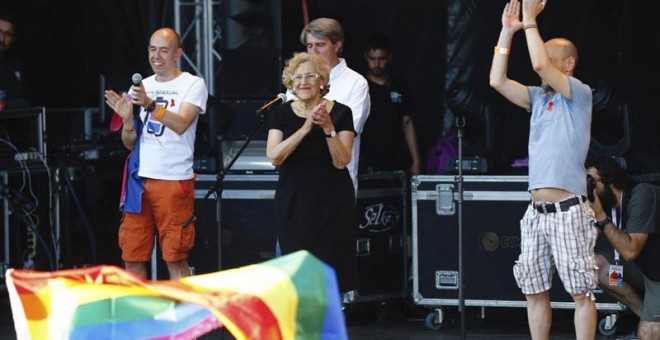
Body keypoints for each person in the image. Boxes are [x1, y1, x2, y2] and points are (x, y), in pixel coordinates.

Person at [489, 0, 596, 339]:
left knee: (580, 292)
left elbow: (537, 63)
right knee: (533, 288)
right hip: (536, 211)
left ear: (568, 64)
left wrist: (531, 20)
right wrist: (507, 31)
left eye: (552, 59)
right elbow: (496, 80)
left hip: (567, 209)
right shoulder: (538, 98)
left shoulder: (579, 93)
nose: (542, 63)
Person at [104, 28, 208, 280]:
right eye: (152, 49)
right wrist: (128, 121)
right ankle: (141, 317)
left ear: (178, 53)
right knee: (132, 255)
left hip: (173, 180)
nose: (156, 55)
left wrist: (150, 104)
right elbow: (130, 143)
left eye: (164, 50)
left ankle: (182, 318)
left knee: (175, 257)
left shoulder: (193, 84)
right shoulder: (142, 86)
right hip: (139, 181)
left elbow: (182, 123)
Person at [267, 52, 357, 295]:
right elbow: (274, 156)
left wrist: (328, 128)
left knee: (330, 266)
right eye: (297, 77)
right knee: (294, 267)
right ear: (291, 83)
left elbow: (342, 161)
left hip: (331, 198)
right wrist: (305, 129)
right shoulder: (280, 113)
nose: (303, 82)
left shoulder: (341, 112)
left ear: (322, 82)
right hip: (293, 199)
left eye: (310, 76)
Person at [293, 17, 370, 193]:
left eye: (320, 45)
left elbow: (349, 131)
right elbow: (287, 124)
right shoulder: (298, 80)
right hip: (299, 180)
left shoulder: (356, 83)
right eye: (309, 46)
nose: (313, 52)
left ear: (337, 45)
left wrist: (307, 129)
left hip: (337, 181)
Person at [587, 155, 660, 339]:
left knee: (647, 334)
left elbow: (629, 251)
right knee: (597, 266)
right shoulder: (608, 203)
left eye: (591, 182)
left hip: (658, 277)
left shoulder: (642, 195)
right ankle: (646, 313)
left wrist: (601, 217)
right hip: (645, 270)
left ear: (609, 181)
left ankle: (651, 322)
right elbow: (587, 241)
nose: (589, 189)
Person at [360, 34, 421, 175]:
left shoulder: (399, 85)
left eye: (381, 59)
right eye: (372, 59)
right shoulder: (359, 86)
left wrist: (416, 160)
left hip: (396, 160)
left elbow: (407, 122)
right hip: (367, 160)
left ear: (389, 58)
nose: (376, 64)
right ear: (365, 57)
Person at [0, 13, 30, 109]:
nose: (2, 39)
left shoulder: (16, 66)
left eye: (8, 34)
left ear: (13, 39)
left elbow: (27, 102)